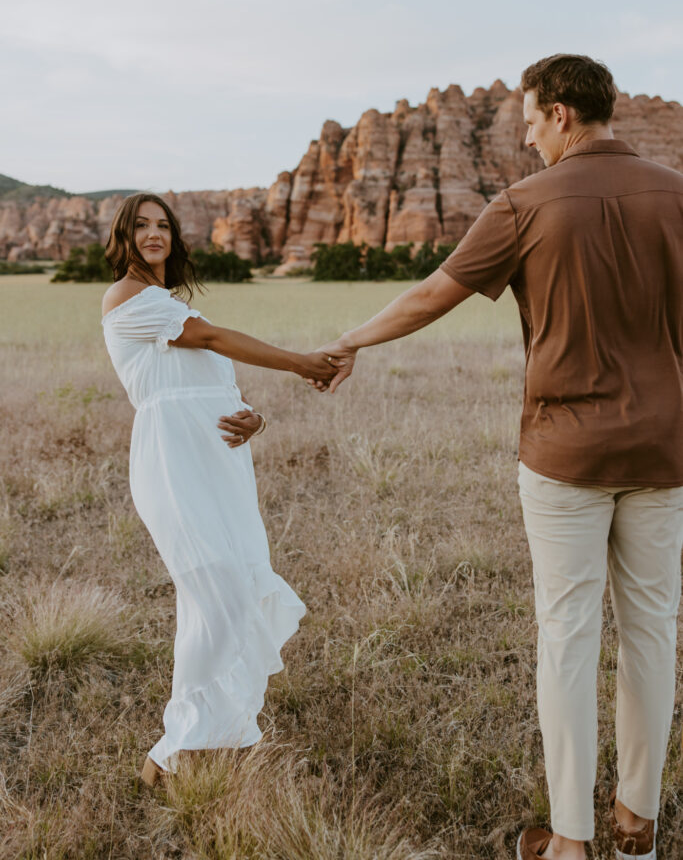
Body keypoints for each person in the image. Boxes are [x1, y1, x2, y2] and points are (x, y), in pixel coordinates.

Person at [317, 55, 683, 860]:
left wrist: (349, 340)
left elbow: (429, 294)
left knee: (567, 635)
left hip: (564, 452)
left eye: (528, 121)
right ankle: (637, 829)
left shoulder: (523, 202)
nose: (523, 137)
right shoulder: (675, 190)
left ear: (558, 113)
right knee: (654, 631)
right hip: (665, 446)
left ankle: (571, 842)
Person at [101, 193, 336, 785]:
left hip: (221, 466)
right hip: (174, 466)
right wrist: (301, 363)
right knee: (217, 596)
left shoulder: (167, 303)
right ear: (123, 238)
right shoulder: (128, 299)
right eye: (141, 226)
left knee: (231, 591)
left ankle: (213, 739)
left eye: (163, 226)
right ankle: (171, 749)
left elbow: (215, 387)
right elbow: (209, 340)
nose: (154, 235)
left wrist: (258, 419)